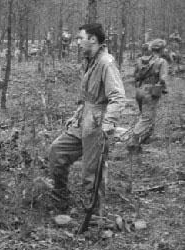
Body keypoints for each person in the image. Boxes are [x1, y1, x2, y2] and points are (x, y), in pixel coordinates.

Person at [48, 23, 125, 216]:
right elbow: (89, 96)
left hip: (97, 125)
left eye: (80, 38)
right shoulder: (91, 61)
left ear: (93, 40)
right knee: (57, 152)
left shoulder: (106, 63)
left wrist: (108, 124)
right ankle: (60, 201)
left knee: (92, 172)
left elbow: (117, 97)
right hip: (85, 120)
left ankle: (93, 216)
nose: (77, 42)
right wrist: (77, 114)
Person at [127, 38, 169, 153]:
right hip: (151, 92)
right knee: (147, 118)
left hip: (140, 91)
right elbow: (163, 79)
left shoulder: (140, 60)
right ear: (162, 49)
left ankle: (144, 138)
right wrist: (164, 89)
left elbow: (135, 76)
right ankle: (133, 140)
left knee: (145, 115)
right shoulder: (161, 62)